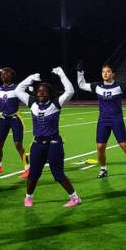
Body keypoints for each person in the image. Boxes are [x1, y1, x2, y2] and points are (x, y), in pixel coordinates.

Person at [14, 69, 80, 207]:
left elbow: (70, 91)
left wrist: (62, 74)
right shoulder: (32, 103)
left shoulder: (56, 104)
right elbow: (18, 90)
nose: (41, 93)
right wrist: (30, 77)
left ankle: (74, 198)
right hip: (38, 144)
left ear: (49, 93)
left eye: (44, 91)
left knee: (58, 174)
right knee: (33, 173)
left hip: (54, 143)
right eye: (38, 91)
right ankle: (28, 197)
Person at [77, 61, 126, 180]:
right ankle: (103, 169)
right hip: (103, 120)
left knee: (124, 145)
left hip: (116, 120)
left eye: (108, 72)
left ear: (113, 74)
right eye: (103, 72)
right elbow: (81, 85)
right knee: (100, 147)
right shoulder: (97, 86)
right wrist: (80, 72)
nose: (105, 74)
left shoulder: (119, 86)